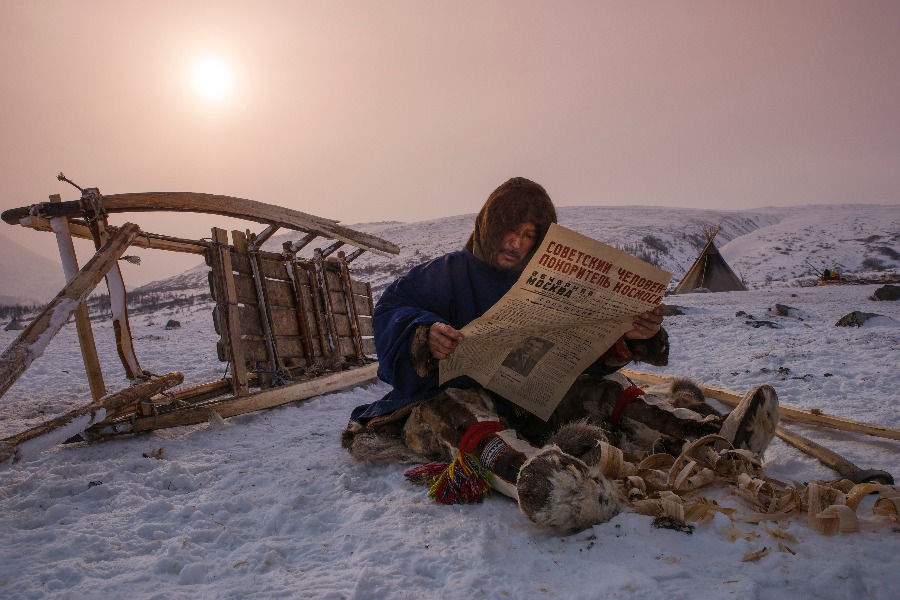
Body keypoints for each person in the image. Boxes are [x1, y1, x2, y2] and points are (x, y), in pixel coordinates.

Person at [343, 177, 779, 532]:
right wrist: (424, 335)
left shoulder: (546, 277)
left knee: (607, 390)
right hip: (465, 396)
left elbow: (582, 351)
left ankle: (714, 440)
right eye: (509, 232)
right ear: (487, 227)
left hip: (534, 395)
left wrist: (630, 335)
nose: (516, 244)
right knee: (455, 411)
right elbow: (392, 310)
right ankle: (539, 481)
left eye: (530, 237)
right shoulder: (444, 274)